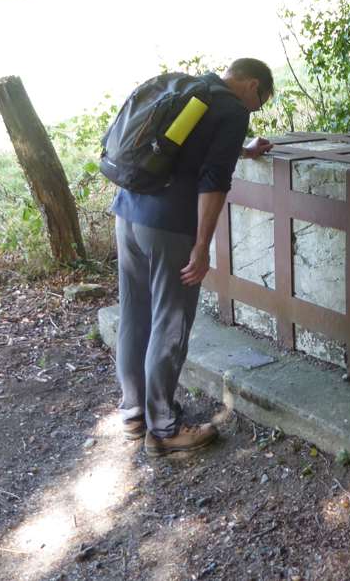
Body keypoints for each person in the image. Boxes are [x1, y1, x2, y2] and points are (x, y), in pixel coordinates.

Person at [111, 58, 274, 456]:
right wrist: (202, 246)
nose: (252, 113)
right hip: (168, 226)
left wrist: (243, 149)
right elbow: (213, 180)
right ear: (252, 86)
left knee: (135, 313)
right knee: (170, 321)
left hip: (129, 213)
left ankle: (134, 414)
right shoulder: (233, 109)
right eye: (258, 105)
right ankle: (164, 430)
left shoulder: (188, 87)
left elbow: (182, 147)